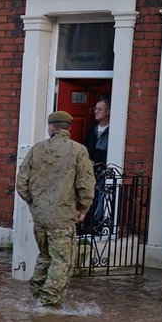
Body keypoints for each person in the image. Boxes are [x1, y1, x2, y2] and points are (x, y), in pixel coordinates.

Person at [15, 111, 95, 307]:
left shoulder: (37, 149)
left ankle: (36, 293)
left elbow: (21, 183)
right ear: (69, 128)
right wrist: (83, 208)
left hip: (40, 216)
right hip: (63, 216)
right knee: (61, 260)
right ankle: (49, 301)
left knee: (45, 255)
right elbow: (86, 183)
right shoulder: (78, 150)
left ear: (51, 127)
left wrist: (34, 204)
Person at [84, 98, 110, 231]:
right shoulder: (92, 128)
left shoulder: (112, 130)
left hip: (103, 172)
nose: (96, 111)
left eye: (99, 109)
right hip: (89, 170)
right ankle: (84, 225)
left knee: (101, 197)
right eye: (95, 108)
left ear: (108, 111)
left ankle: (97, 226)